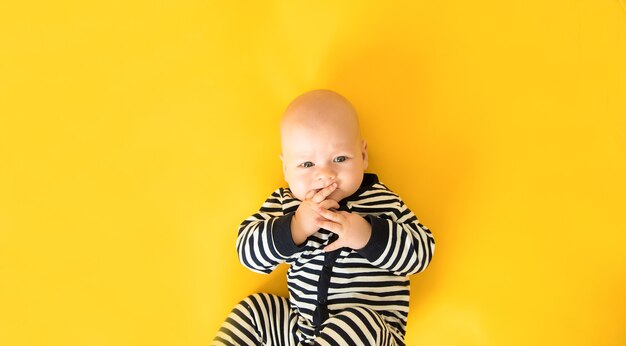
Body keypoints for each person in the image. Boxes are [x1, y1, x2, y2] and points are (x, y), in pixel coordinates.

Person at [213, 90, 435, 345]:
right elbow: (248, 253)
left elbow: (421, 254)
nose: (325, 175)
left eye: (340, 159)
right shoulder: (287, 205)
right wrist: (295, 227)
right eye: (307, 165)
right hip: (302, 333)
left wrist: (366, 235)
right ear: (286, 168)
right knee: (256, 310)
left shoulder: (381, 202)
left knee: (358, 321)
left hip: (373, 335)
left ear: (362, 156)